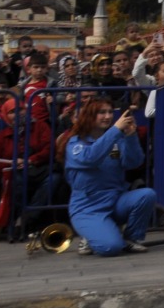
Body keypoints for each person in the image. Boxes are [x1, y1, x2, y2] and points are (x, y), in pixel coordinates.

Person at [64, 100, 157, 255]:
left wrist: (131, 137)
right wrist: (115, 130)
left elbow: (134, 162)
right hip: (88, 208)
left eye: (109, 112)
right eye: (101, 112)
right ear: (89, 116)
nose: (107, 116)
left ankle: (131, 239)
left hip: (115, 201)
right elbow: (90, 158)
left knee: (147, 195)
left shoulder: (116, 138)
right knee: (111, 247)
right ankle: (94, 235)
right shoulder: (75, 143)